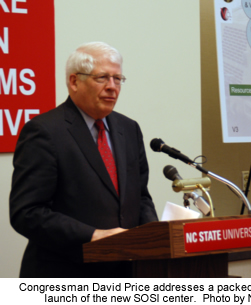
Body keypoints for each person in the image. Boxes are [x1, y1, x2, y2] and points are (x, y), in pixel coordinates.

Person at [9, 42, 158, 278]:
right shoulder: (44, 132)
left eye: (118, 79)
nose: (112, 87)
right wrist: (93, 235)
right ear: (74, 81)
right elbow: (27, 213)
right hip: (65, 275)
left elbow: (140, 197)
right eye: (102, 78)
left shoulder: (129, 129)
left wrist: (154, 238)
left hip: (127, 273)